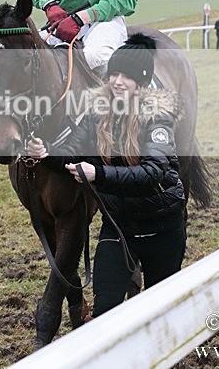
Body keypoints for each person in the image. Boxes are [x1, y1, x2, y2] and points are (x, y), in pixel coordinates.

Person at [26, 34, 186, 317]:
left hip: (163, 228)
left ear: (142, 81)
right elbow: (75, 149)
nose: (118, 81)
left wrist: (97, 174)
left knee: (162, 313)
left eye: (127, 76)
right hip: (119, 227)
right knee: (104, 313)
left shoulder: (158, 117)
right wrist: (47, 153)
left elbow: (152, 173)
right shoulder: (97, 112)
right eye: (113, 73)